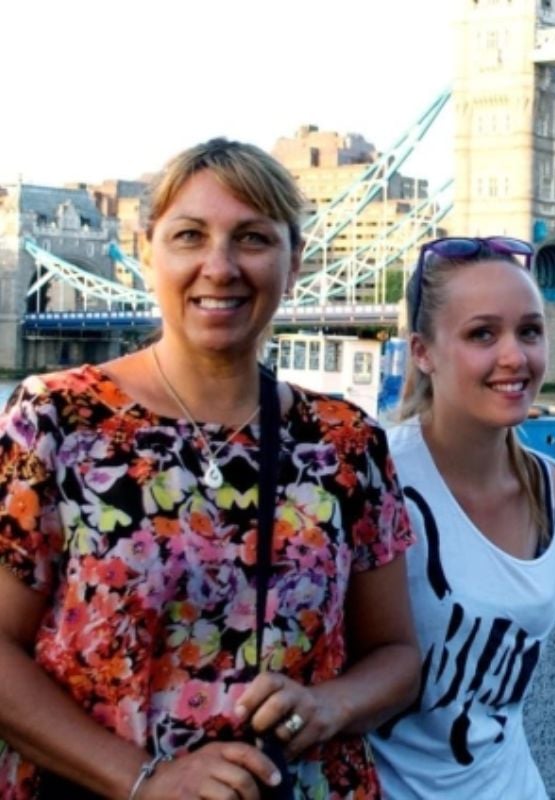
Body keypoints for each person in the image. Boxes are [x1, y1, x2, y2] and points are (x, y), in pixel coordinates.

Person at [0, 138, 421, 799]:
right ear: (148, 254)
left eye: (252, 239)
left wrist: (330, 705)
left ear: (294, 263)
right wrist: (144, 781)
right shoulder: (56, 420)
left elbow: (396, 656)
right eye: (190, 236)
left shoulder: (347, 441)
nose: (219, 267)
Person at [369, 236, 555, 799]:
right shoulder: (376, 478)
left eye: (529, 332)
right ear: (423, 352)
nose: (514, 357)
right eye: (482, 334)